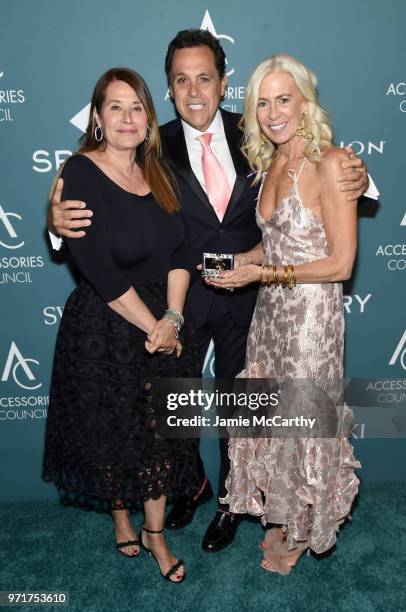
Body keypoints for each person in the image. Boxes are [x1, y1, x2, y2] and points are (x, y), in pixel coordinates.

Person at [48, 30, 368, 553]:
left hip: (256, 299)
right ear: (169, 90)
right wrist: (55, 221)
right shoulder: (153, 144)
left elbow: (319, 172)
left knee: (243, 408)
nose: (194, 90)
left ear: (223, 83)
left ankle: (230, 500)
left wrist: (358, 171)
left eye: (205, 77)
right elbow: (104, 189)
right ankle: (188, 483)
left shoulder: (262, 130)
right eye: (181, 80)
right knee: (174, 406)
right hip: (179, 297)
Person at [43, 67, 204, 582]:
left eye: (137, 107)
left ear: (149, 119)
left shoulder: (163, 173)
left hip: (167, 321)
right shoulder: (81, 173)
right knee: (115, 430)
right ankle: (120, 515)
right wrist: (152, 324)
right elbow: (101, 270)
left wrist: (172, 319)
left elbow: (183, 251)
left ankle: (156, 534)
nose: (127, 118)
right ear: (97, 117)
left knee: (160, 436)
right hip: (108, 324)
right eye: (115, 107)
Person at [208, 54, 361, 574]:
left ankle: (302, 529)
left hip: (310, 317)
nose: (273, 112)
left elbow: (340, 263)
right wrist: (240, 263)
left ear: (305, 101)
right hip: (270, 314)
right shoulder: (271, 161)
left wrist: (261, 275)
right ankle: (284, 511)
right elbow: (276, 245)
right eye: (263, 102)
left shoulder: (332, 163)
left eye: (284, 98)